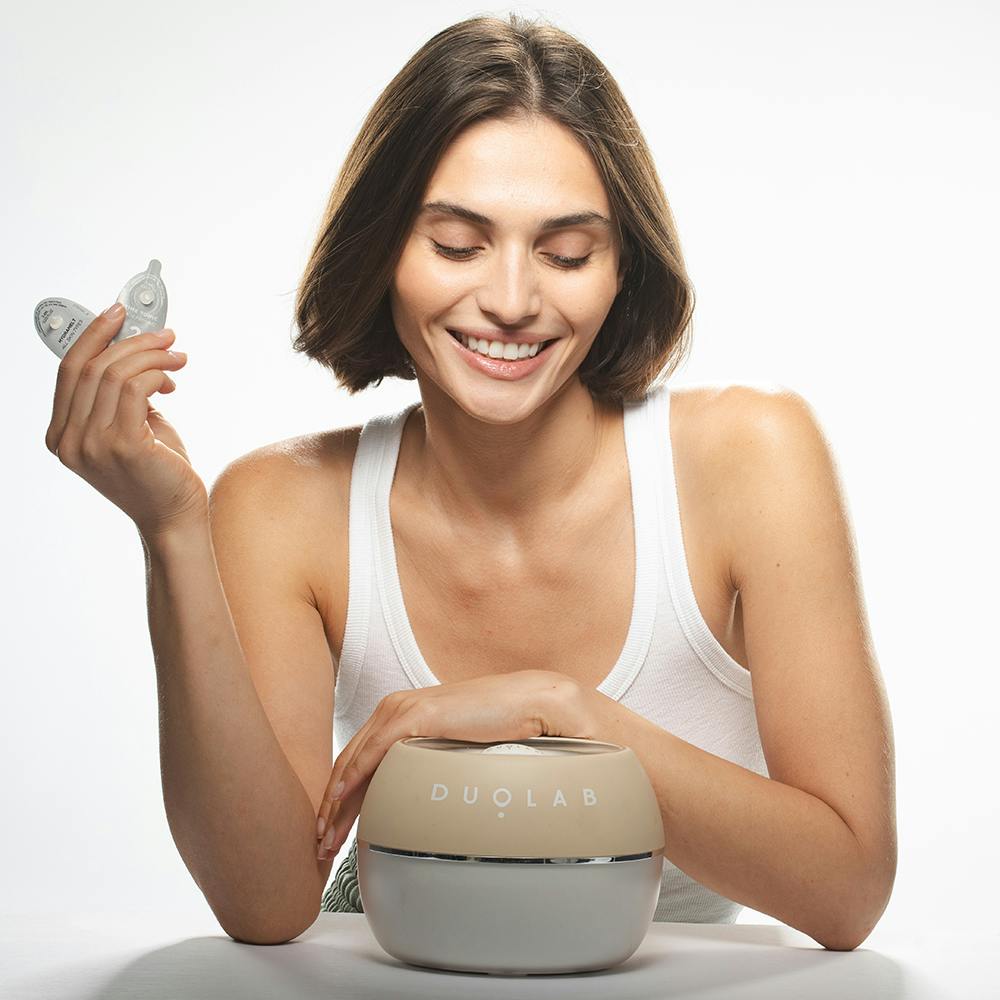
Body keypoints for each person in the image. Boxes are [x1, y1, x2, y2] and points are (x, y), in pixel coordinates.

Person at [45, 13, 896, 950]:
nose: (512, 300)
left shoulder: (751, 459)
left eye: (567, 254)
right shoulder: (281, 508)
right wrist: (172, 533)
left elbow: (849, 890)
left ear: (622, 268)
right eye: (456, 244)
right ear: (383, 252)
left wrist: (559, 711)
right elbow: (266, 902)